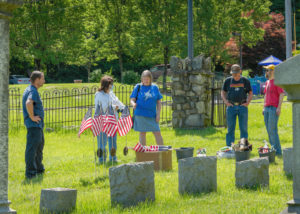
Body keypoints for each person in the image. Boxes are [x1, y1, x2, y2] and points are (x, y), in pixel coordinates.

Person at [94, 75, 124, 163]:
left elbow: (117, 101)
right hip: (102, 121)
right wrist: (115, 107)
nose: (111, 87)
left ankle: (113, 158)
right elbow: (103, 107)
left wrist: (123, 108)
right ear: (105, 85)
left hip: (113, 121)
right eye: (110, 85)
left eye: (112, 85)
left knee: (113, 141)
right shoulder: (99, 95)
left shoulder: (111, 93)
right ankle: (101, 159)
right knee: (102, 142)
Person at [221, 64, 253, 146]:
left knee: (243, 129)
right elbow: (223, 92)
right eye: (233, 73)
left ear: (240, 72)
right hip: (231, 107)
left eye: (236, 73)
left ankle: (244, 146)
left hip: (242, 107)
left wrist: (248, 102)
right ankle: (230, 147)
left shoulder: (245, 81)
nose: (235, 75)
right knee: (230, 129)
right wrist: (226, 102)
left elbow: (250, 93)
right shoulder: (227, 81)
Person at [130, 70, 163, 146]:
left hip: (152, 115)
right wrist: (133, 104)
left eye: (147, 79)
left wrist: (158, 114)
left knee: (157, 132)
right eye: (144, 79)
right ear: (142, 79)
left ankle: (162, 151)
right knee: (142, 133)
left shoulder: (155, 87)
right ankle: (143, 153)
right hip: (140, 114)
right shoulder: (137, 87)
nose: (146, 80)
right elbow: (132, 99)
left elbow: (158, 102)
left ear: (150, 79)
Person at [22, 71, 45, 179]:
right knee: (32, 149)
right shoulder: (32, 91)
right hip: (34, 125)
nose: (44, 81)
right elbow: (28, 103)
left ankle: (39, 169)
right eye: (42, 78)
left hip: (37, 126)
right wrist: (32, 116)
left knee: (38, 148)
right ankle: (30, 173)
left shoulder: (30, 89)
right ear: (37, 80)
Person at [263, 64, 285, 155]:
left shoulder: (277, 82)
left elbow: (282, 94)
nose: (267, 72)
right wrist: (264, 107)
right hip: (267, 108)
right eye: (267, 70)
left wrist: (279, 108)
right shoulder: (267, 82)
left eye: (268, 70)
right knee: (269, 130)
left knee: (272, 130)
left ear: (273, 71)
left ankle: (277, 152)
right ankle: (273, 150)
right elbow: (265, 95)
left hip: (273, 108)